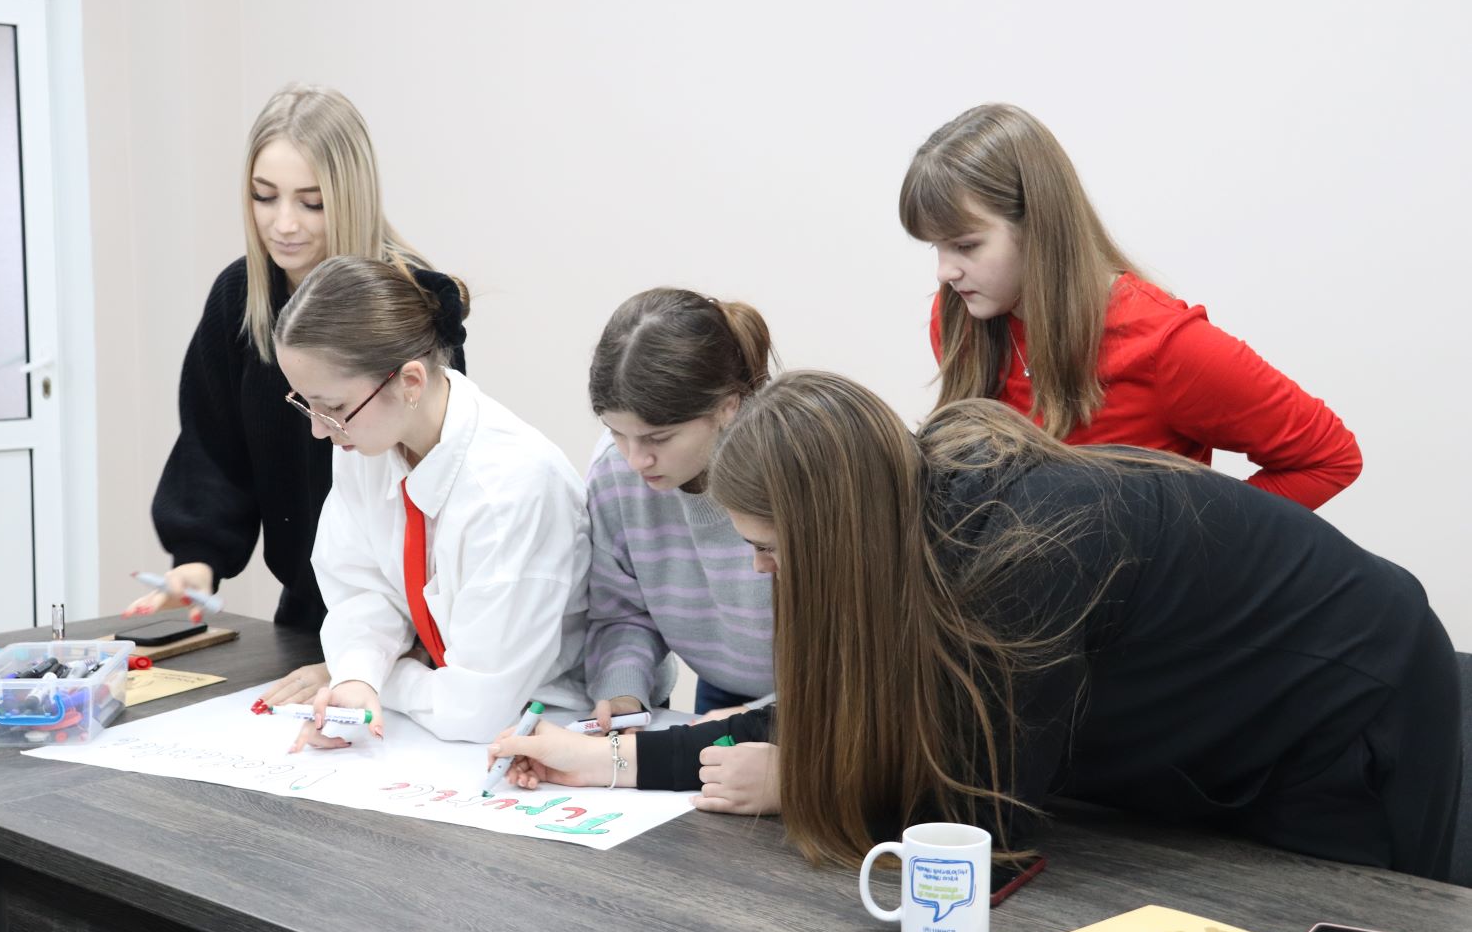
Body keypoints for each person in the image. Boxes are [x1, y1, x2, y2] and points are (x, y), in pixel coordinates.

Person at [489, 371, 1460, 881]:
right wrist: (607, 759)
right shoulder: (915, 508)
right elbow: (839, 709)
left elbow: (986, 821)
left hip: (1350, 711)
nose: (759, 570)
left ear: (832, 532)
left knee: (1324, 921)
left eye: (770, 548)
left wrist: (801, 785)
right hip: (1224, 739)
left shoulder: (1019, 560)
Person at [125, 84, 462, 709]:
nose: (283, 224)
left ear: (351, 196)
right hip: (306, 616)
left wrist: (366, 661)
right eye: (264, 196)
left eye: (311, 202)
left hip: (406, 633)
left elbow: (438, 500)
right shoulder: (240, 297)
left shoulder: (409, 303)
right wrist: (198, 560)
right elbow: (211, 446)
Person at [901, 103, 1360, 510]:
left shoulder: (1167, 348)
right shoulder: (958, 321)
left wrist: (1195, 549)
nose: (945, 272)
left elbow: (1329, 457)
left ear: (1038, 227)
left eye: (966, 245)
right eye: (936, 248)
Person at [271, 256, 587, 747]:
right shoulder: (367, 441)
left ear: (411, 383)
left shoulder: (512, 488)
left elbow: (477, 709)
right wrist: (358, 676)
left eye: (332, 407)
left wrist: (383, 674)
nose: (317, 429)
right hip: (433, 722)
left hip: (548, 728)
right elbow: (362, 588)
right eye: (305, 403)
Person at [584, 288, 777, 728]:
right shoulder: (615, 473)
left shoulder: (793, 474)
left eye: (658, 438)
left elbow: (855, 650)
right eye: (617, 433)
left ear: (727, 406)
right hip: (720, 688)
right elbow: (622, 610)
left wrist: (757, 719)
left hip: (825, 696)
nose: (636, 460)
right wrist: (622, 690)